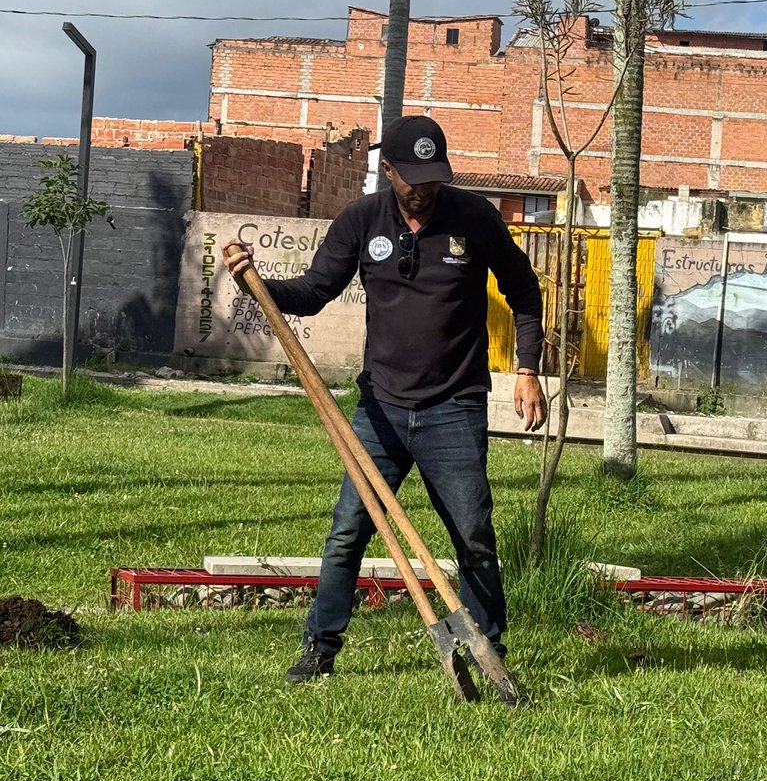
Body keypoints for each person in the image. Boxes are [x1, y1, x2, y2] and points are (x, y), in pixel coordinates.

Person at [222, 115, 547, 683]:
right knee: (349, 527)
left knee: (472, 532)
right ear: (388, 171)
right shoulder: (360, 220)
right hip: (381, 409)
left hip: (456, 405)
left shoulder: (474, 218)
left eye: (433, 177)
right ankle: (320, 649)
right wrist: (259, 281)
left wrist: (526, 369)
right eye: (411, 178)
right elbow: (314, 292)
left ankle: (488, 646)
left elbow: (523, 289)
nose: (423, 189)